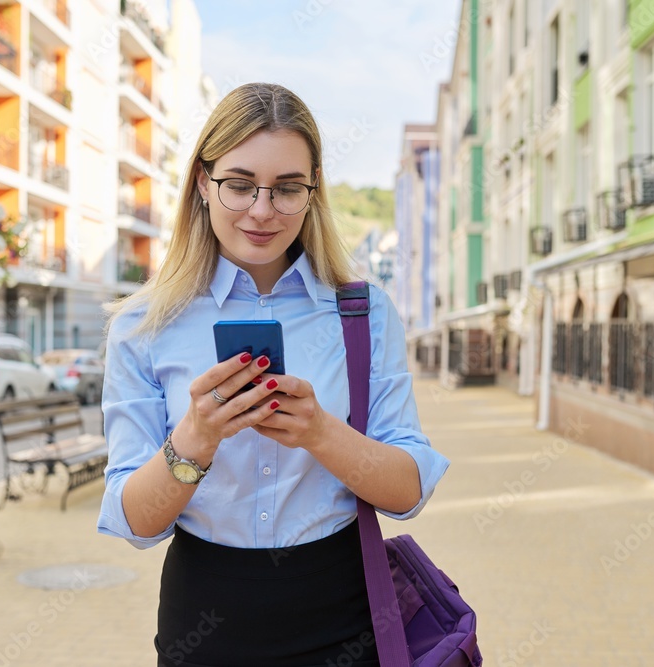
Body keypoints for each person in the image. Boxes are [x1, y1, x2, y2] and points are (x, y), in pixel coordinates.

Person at [97, 82, 449, 667]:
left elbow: (408, 493)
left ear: (313, 194)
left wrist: (320, 432)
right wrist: (195, 439)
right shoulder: (143, 324)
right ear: (203, 184)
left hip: (345, 609)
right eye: (239, 184)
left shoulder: (361, 312)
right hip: (203, 614)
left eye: (287, 189)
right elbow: (136, 523)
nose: (262, 210)